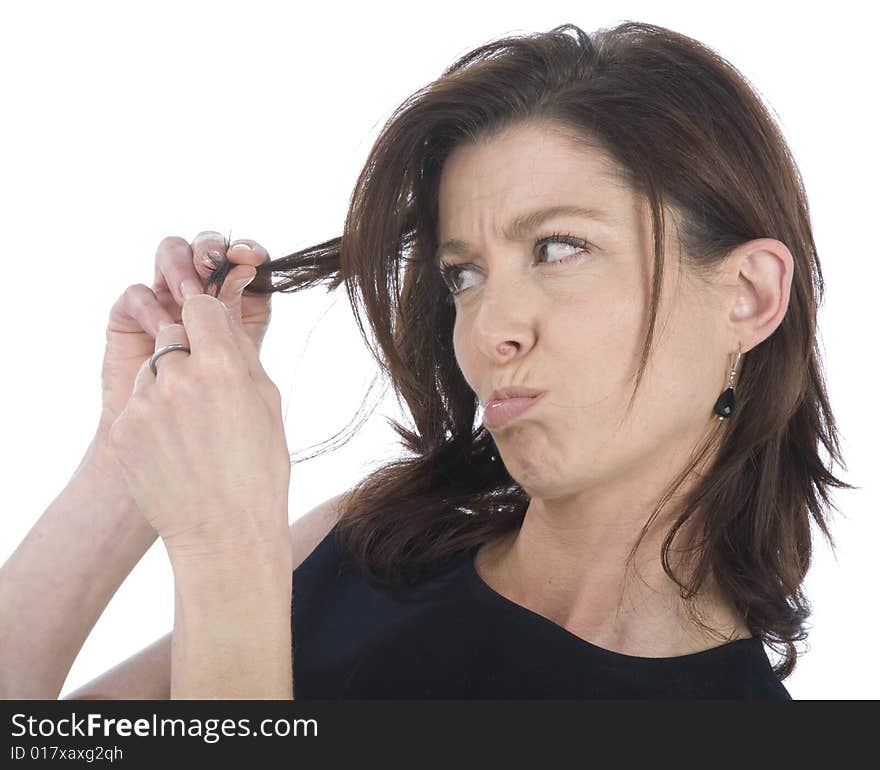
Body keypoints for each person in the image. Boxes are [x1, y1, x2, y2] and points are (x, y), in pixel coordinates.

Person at [0, 21, 851, 699]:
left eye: (558, 248)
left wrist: (228, 547)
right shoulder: (373, 540)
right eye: (465, 275)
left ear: (747, 296)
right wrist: (126, 457)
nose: (488, 330)